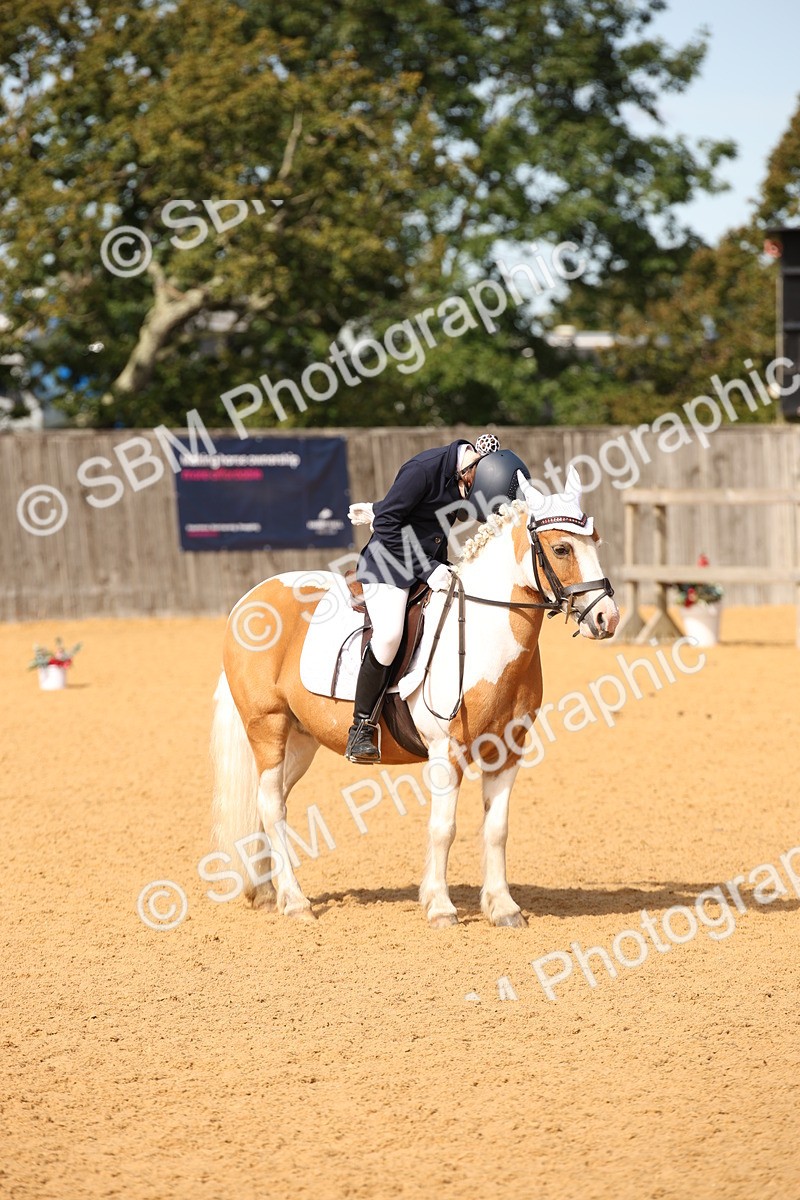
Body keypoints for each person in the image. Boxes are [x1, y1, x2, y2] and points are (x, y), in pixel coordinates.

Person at [344, 435, 496, 764]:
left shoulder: (465, 474)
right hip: (388, 565)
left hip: (431, 565)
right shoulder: (422, 470)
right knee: (388, 636)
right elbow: (387, 524)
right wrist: (426, 569)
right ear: (469, 467)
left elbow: (406, 514)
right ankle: (361, 728)